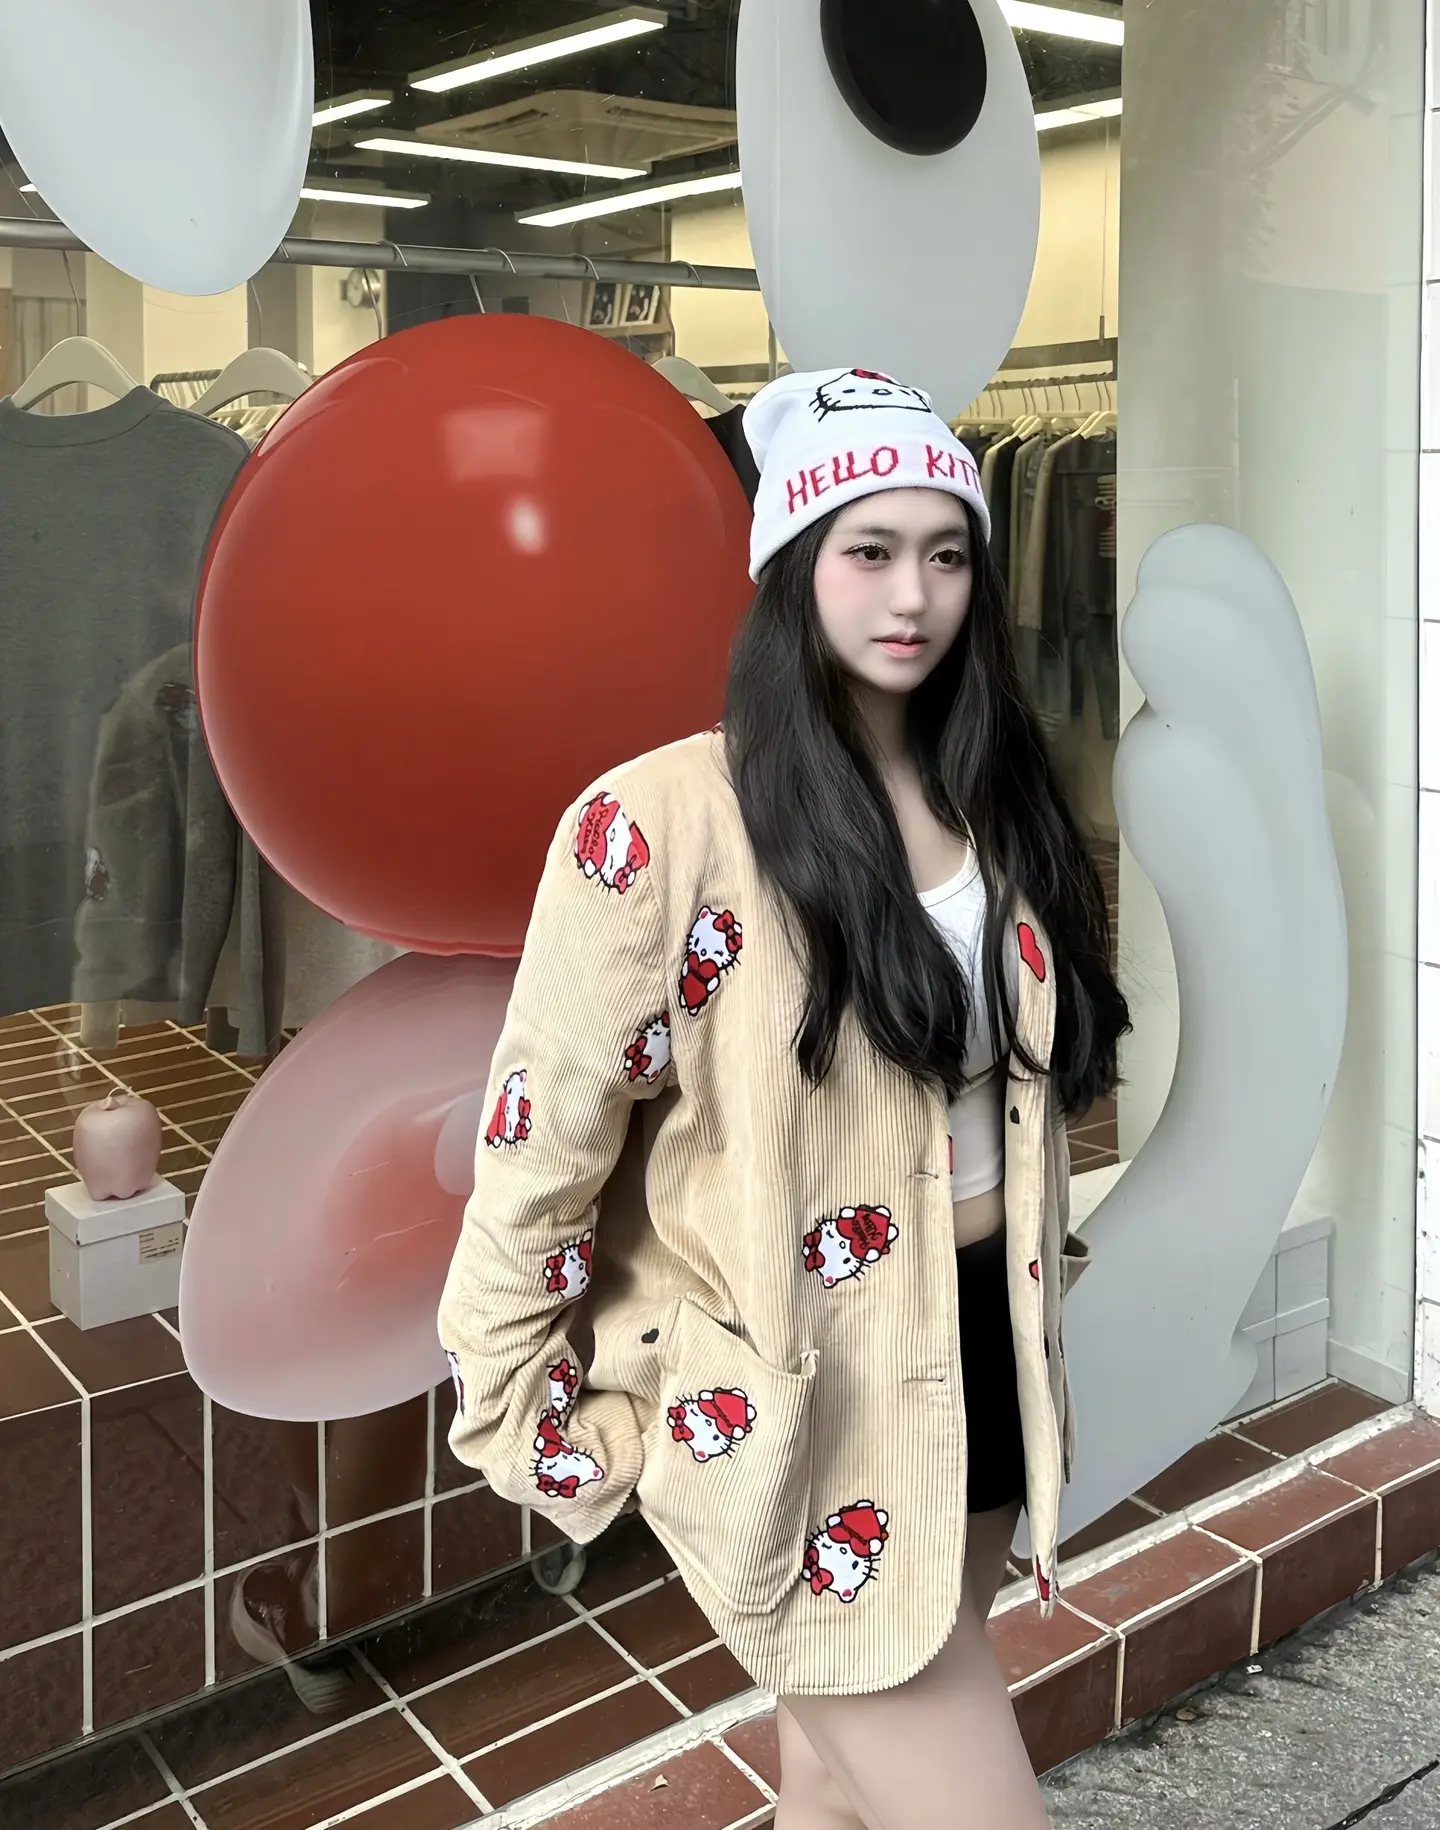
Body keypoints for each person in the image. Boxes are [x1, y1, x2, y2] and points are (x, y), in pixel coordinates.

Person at [438, 366, 1130, 1828]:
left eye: (947, 554)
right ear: (795, 565)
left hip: (989, 1354)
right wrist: (542, 1419)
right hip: (808, 1402)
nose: (913, 594)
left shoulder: (993, 790)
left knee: (831, 1789)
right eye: (868, 550)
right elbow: (541, 1143)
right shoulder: (661, 822)